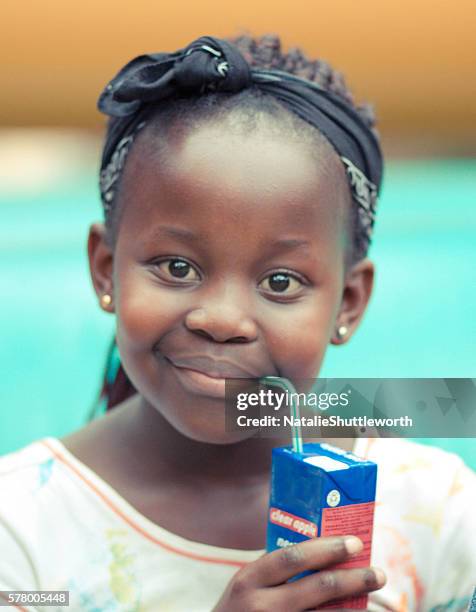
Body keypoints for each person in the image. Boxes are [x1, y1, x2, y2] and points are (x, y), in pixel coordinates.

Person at [0, 34, 475, 612]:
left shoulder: (437, 514)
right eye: (177, 267)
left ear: (348, 304)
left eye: (281, 282)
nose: (223, 321)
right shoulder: (24, 536)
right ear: (106, 270)